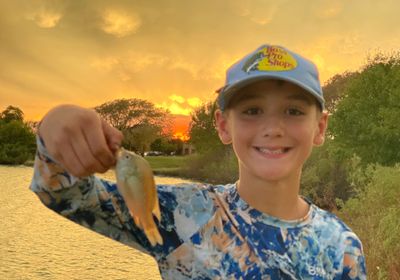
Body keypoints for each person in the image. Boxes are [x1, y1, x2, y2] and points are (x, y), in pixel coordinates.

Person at [30, 44, 366, 279]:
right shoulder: (183, 214)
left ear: (319, 127)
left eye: (293, 111)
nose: (273, 128)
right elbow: (64, 194)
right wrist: (53, 125)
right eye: (251, 111)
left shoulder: (341, 245)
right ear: (223, 126)